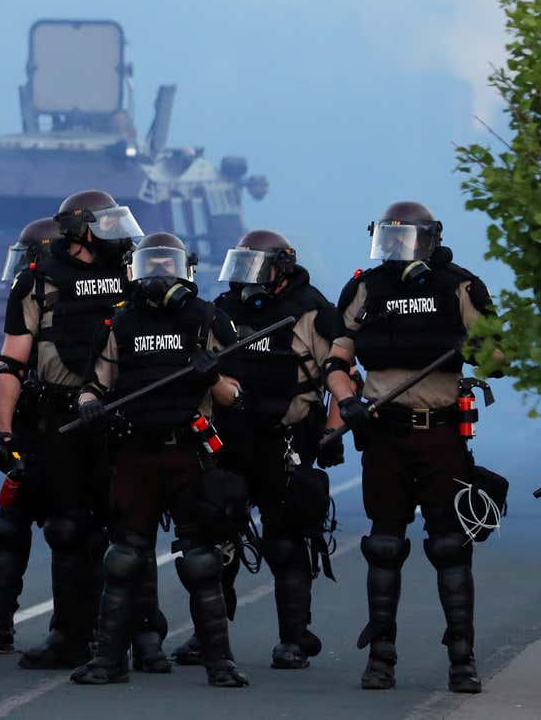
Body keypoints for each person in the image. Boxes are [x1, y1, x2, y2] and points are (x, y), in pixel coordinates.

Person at [324, 201, 497, 694]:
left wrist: (480, 350)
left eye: (408, 240)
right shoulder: (366, 288)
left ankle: (462, 661)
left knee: (449, 545)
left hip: (440, 431)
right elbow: (337, 360)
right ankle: (381, 659)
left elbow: (499, 353)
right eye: (390, 240)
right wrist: (346, 400)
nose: (398, 251)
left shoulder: (460, 286)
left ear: (431, 240)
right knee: (383, 546)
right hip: (384, 430)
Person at [70, 232, 250, 688]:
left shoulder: (208, 319)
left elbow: (234, 395)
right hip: (135, 451)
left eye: (164, 266)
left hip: (189, 451)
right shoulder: (120, 322)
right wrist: (87, 405)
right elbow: (96, 384)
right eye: (148, 267)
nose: (156, 276)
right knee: (124, 558)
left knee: (201, 561)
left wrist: (212, 377)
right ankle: (109, 660)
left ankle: (220, 663)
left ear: (184, 271)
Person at [0, 190, 143, 670]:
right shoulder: (37, 281)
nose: (117, 231)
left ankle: (137, 638)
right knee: (68, 529)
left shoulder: (134, 271)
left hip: (123, 414)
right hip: (62, 418)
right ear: (81, 229)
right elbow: (11, 361)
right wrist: (5, 431)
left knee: (128, 528)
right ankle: (71, 637)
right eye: (106, 223)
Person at [181, 230, 339, 670]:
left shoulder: (312, 311)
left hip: (285, 440)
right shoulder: (224, 310)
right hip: (229, 439)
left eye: (258, 268)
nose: (248, 280)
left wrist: (332, 433)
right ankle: (205, 637)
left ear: (282, 270)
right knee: (216, 535)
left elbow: (341, 374)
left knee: (285, 541)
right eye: (242, 267)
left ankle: (293, 638)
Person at [0, 217, 60, 654]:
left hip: (70, 431)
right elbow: (10, 369)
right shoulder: (32, 295)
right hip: (32, 424)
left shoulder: (79, 298)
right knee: (8, 527)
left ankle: (79, 626)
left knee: (74, 531)